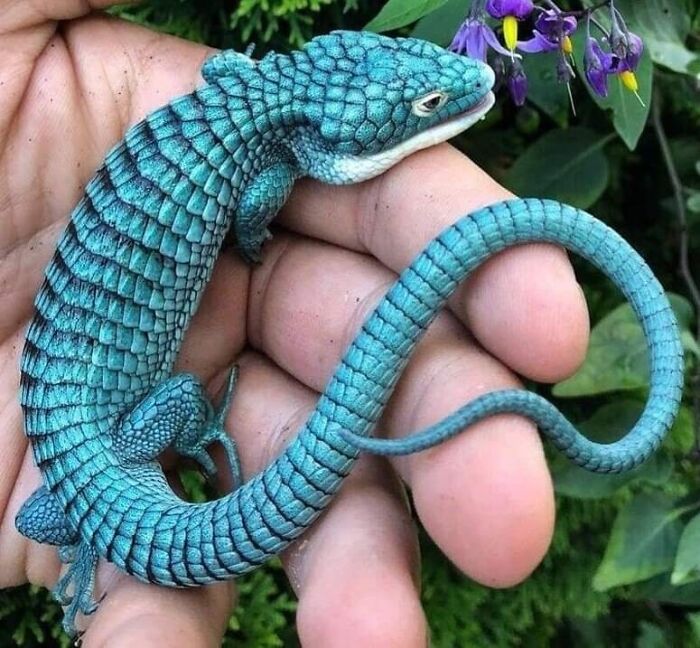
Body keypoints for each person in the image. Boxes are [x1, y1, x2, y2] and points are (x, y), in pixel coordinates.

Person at [0, 2, 590, 645]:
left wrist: (98, 526)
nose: (469, 85)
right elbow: (253, 216)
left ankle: (95, 531)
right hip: (122, 443)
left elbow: (35, 522)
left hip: (69, 411)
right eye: (426, 104)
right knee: (183, 401)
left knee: (75, 497)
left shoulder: (231, 81)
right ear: (329, 133)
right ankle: (153, 474)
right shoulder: (271, 163)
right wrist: (252, 243)